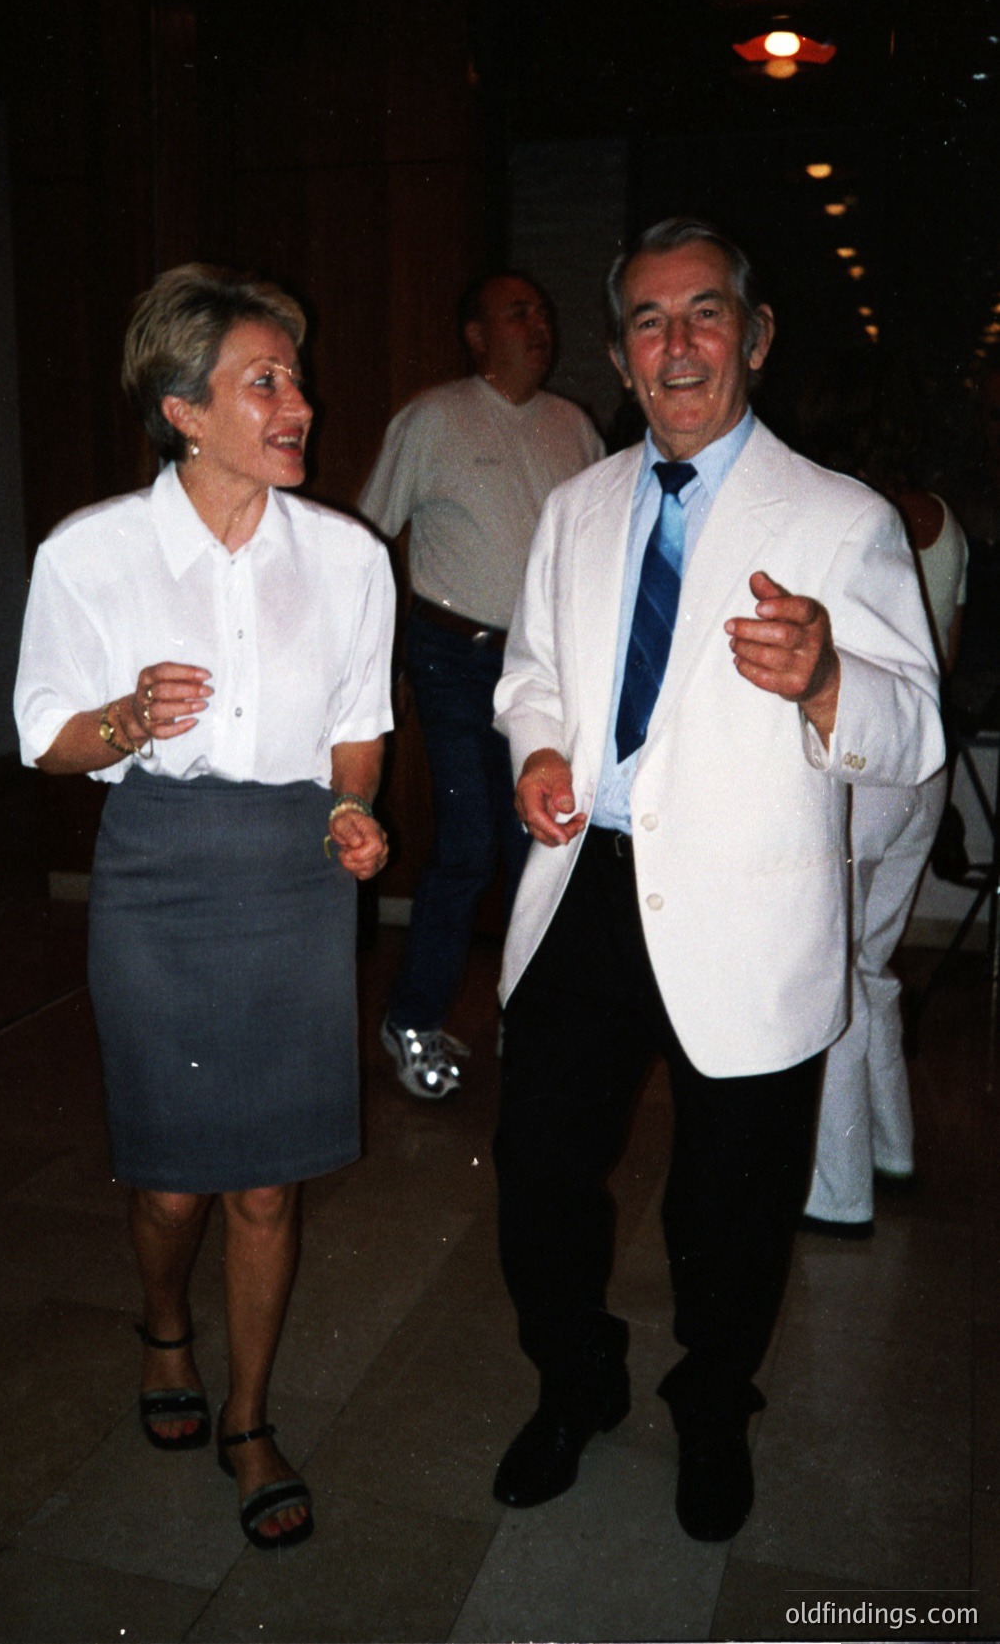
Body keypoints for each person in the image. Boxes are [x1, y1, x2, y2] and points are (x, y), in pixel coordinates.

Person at [490, 219, 944, 1542]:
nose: (675, 341)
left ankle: (709, 1409)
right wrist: (533, 750)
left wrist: (823, 680)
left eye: (702, 314)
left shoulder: (838, 518)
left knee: (729, 1209)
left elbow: (909, 732)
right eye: (646, 319)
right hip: (584, 885)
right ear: (621, 356)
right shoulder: (573, 507)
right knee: (536, 1180)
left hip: (746, 908)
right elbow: (532, 671)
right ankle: (574, 1387)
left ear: (750, 337)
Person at [14, 264, 395, 1551]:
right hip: (159, 869)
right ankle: (163, 1324)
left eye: (293, 377)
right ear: (182, 409)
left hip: (289, 874)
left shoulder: (346, 556)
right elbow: (48, 738)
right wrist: (126, 714)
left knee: (269, 1188)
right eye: (264, 381)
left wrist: (351, 809)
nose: (301, 403)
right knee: (175, 1184)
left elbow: (358, 726)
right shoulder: (90, 552)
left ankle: (246, 1414)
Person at [358, 273, 603, 1098]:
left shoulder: (573, 425)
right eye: (516, 312)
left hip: (550, 668)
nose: (539, 323)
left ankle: (526, 1014)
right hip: (453, 657)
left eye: (542, 309)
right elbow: (364, 541)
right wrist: (372, 666)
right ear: (473, 334)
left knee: (546, 844)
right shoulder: (432, 418)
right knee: (468, 844)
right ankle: (413, 1018)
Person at [795, 348, 969, 1235]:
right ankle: (891, 1149)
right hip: (924, 766)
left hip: (865, 770)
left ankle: (836, 1189)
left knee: (833, 975)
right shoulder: (945, 523)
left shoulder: (841, 518)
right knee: (872, 970)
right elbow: (939, 658)